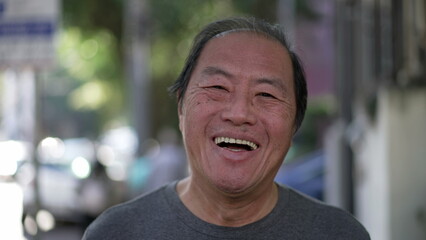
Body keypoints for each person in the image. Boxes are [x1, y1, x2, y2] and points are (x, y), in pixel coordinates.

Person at [82, 17, 370, 239]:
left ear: (294, 124)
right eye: (218, 87)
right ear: (182, 108)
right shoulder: (116, 232)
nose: (239, 113)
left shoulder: (338, 234)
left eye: (267, 95)